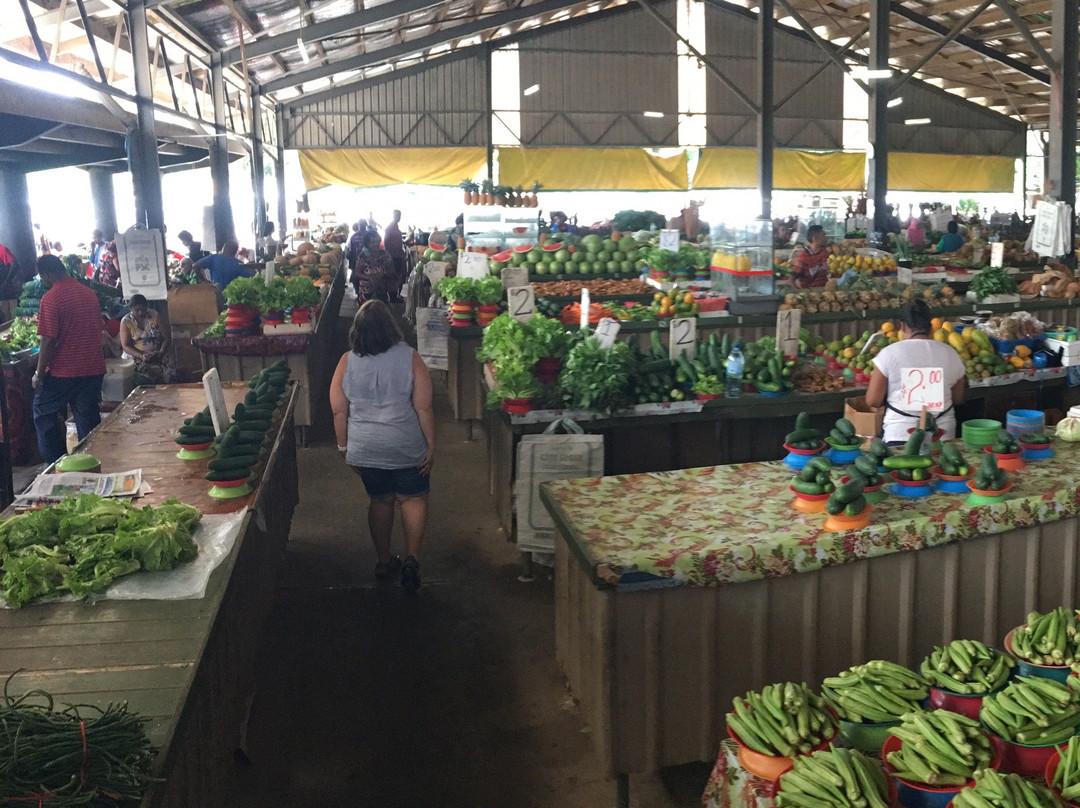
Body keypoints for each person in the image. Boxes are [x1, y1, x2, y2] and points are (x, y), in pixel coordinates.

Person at [330, 300, 435, 593]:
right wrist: (431, 445)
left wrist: (344, 448)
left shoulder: (346, 362)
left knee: (380, 501)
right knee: (412, 499)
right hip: (406, 445)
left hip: (367, 448)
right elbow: (424, 407)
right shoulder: (410, 357)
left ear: (357, 330)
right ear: (391, 326)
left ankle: (384, 560)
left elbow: (339, 410)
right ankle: (412, 560)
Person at [32, 255, 107, 464]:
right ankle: (91, 463)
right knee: (87, 420)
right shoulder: (89, 294)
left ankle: (57, 464)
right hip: (92, 368)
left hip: (64, 372)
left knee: (44, 413)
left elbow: (48, 340)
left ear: (47, 274)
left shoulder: (51, 298)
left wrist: (39, 373)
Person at [865, 299, 967, 445]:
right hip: (942, 436)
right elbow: (957, 398)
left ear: (902, 326)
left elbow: (873, 401)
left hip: (900, 434)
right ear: (930, 326)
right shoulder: (950, 353)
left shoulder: (889, 353)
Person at [119, 294, 177, 384]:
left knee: (170, 369)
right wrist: (141, 356)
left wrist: (161, 352)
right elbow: (125, 346)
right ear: (131, 309)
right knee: (141, 375)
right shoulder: (126, 321)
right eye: (137, 310)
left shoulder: (155, 316)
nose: (140, 313)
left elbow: (166, 338)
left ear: (147, 307)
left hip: (157, 353)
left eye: (143, 309)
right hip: (135, 355)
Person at [351, 231, 395, 302]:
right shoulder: (362, 256)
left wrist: (384, 273)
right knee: (367, 308)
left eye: (377, 242)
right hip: (366, 291)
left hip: (382, 289)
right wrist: (369, 278)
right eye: (373, 242)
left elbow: (391, 270)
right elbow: (357, 273)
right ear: (367, 243)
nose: (376, 244)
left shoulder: (385, 255)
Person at [790, 224, 831, 288]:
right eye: (823, 235)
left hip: (825, 291)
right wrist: (798, 292)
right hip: (810, 292)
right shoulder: (803, 257)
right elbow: (791, 280)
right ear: (815, 239)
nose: (826, 238)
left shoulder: (825, 252)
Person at [384, 210, 407, 288]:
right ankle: (394, 293)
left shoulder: (395, 227)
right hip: (393, 256)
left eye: (399, 216)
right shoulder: (389, 228)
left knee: (399, 276)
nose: (398, 217)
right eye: (396, 216)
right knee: (395, 277)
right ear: (393, 216)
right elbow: (386, 242)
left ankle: (397, 293)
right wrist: (387, 255)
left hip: (398, 255)